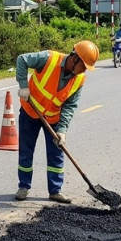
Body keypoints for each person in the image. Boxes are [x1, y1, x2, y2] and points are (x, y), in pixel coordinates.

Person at [15, 40, 100, 204]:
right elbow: (22, 59)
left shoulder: (79, 79)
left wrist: (62, 129)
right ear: (74, 58)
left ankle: (55, 191)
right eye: (83, 66)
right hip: (30, 112)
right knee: (26, 151)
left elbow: (70, 105)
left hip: (54, 119)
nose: (83, 71)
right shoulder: (48, 58)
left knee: (56, 154)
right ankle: (23, 186)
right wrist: (23, 86)